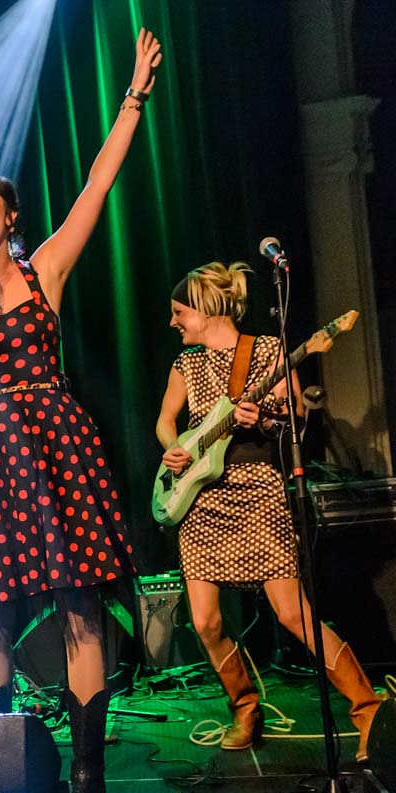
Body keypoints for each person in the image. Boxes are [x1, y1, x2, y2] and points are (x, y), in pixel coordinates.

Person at [0, 29, 161, 793]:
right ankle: (4, 775)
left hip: (56, 438)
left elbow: (97, 183)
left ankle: (88, 775)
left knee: (78, 604)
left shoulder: (44, 268)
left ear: (11, 211)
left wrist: (132, 99)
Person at [156, 261, 383, 759]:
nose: (173, 322)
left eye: (179, 312)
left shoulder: (268, 351)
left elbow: (297, 417)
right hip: (200, 498)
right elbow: (165, 422)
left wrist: (264, 417)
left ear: (205, 308)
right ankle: (245, 707)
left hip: (257, 489)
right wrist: (174, 449)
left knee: (293, 613)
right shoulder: (185, 365)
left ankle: (368, 709)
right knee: (205, 622)